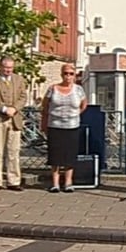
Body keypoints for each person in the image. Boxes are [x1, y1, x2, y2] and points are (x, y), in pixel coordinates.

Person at [41, 62, 87, 193]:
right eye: (65, 73)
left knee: (70, 155)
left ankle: (68, 182)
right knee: (55, 154)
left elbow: (84, 105)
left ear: (74, 75)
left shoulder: (78, 89)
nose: (68, 76)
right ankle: (55, 183)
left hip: (72, 126)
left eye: (71, 74)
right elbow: (45, 106)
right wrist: (43, 123)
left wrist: (75, 114)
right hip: (55, 125)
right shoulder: (52, 88)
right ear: (61, 75)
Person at [0, 56, 27, 191]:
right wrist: (3, 108)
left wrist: (14, 108)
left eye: (10, 68)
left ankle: (13, 181)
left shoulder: (19, 79)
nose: (8, 70)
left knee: (13, 151)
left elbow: (23, 97)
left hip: (14, 119)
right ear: (0, 67)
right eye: (5, 67)